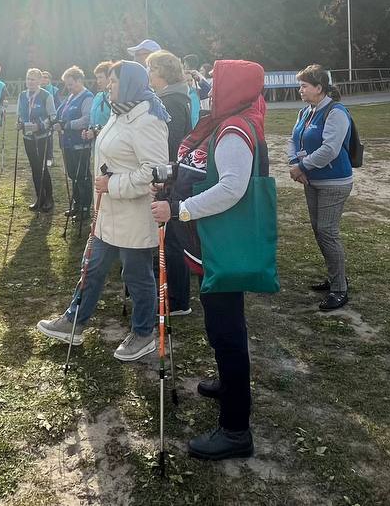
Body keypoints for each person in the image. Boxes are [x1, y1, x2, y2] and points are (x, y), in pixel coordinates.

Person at [151, 59, 269, 460]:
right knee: (222, 325)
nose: (210, 92)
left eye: (217, 85)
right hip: (215, 242)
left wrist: (179, 209)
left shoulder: (235, 130)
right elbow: (203, 167)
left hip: (222, 244)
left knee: (228, 330)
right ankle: (227, 383)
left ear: (233, 89)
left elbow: (231, 188)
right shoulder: (229, 121)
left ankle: (236, 429)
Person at [36, 60, 169, 363]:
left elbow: (156, 171)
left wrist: (114, 184)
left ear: (130, 83)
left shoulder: (148, 118)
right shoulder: (119, 112)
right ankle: (74, 321)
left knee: (137, 276)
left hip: (133, 215)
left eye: (113, 81)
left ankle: (144, 332)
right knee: (91, 267)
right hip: (108, 214)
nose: (108, 86)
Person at [288, 64, 355, 311]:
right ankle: (335, 277)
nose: (300, 90)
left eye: (304, 86)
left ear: (319, 87)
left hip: (334, 183)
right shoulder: (306, 111)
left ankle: (340, 289)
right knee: (320, 232)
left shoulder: (336, 112)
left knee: (327, 232)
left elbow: (330, 149)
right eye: (300, 85)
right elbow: (293, 140)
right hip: (312, 181)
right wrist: (294, 163)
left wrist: (302, 167)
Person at [145, 50, 193, 316]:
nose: (149, 74)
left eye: (151, 69)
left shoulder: (171, 101)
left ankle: (177, 300)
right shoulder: (170, 98)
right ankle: (173, 294)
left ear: (163, 72)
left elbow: (171, 145)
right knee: (170, 237)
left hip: (171, 177)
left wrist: (164, 177)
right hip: (171, 175)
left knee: (174, 240)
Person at [55, 66, 95, 220]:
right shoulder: (71, 96)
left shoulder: (87, 97)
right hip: (67, 143)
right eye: (67, 84)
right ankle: (77, 204)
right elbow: (62, 113)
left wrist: (67, 124)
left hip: (80, 143)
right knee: (73, 174)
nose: (68, 87)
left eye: (71, 83)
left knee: (82, 175)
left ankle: (85, 207)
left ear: (79, 80)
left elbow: (86, 119)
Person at [18, 67, 57, 212]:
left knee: (42, 167)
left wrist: (39, 126)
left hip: (42, 136)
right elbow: (20, 114)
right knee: (34, 167)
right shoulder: (22, 95)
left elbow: (52, 117)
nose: (30, 82)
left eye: (33, 79)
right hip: (27, 136)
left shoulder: (46, 95)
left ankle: (49, 198)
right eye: (28, 78)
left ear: (40, 81)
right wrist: (20, 123)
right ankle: (39, 197)